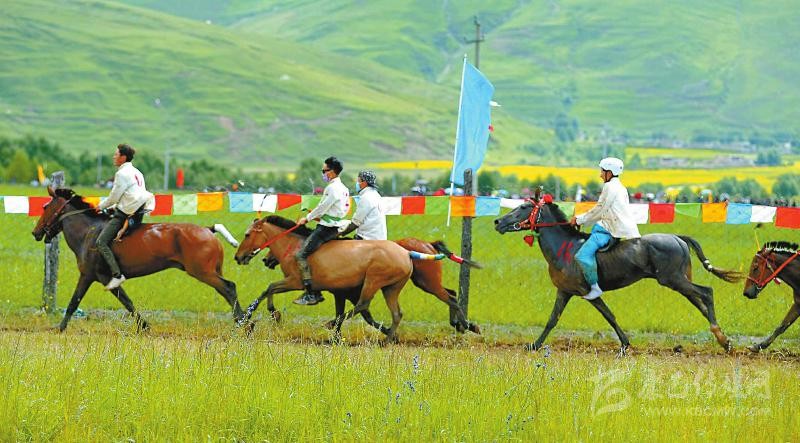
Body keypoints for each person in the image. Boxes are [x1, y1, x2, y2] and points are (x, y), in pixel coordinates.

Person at [570, 157, 641, 301]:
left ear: (610, 172)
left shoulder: (610, 187)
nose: (600, 174)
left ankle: (594, 288)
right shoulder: (620, 187)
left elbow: (599, 209)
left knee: (582, 256)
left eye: (602, 171)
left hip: (608, 230)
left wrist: (578, 220)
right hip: (615, 227)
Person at [95, 143, 156, 290]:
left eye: (116, 154)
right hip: (139, 209)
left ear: (123, 157)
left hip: (126, 213)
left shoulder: (121, 174)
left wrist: (100, 207)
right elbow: (130, 195)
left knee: (101, 242)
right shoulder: (137, 172)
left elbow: (114, 197)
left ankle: (117, 275)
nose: (113, 157)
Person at [294, 156, 350, 306]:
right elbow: (342, 208)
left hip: (326, 228)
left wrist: (307, 218)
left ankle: (312, 293)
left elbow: (322, 207)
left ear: (332, 171)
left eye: (324, 171)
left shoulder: (332, 188)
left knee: (301, 255)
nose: (323, 173)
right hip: (335, 225)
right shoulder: (344, 188)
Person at [339, 170, 387, 240]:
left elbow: (355, 223)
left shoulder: (366, 197)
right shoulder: (376, 195)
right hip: (379, 237)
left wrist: (340, 234)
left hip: (368, 238)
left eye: (358, 181)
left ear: (364, 183)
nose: (357, 183)